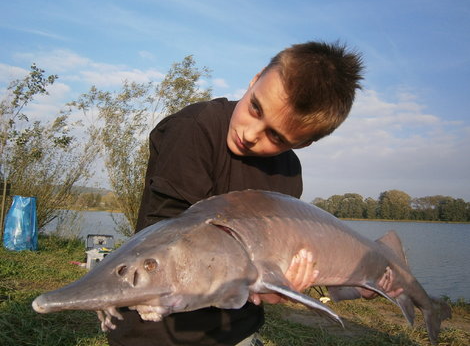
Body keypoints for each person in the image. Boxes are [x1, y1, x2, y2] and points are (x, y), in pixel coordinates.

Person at [107, 41, 401, 346]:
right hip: (157, 331)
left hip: (237, 328)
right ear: (255, 78)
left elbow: (270, 268)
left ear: (301, 143)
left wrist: (278, 283)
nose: (249, 133)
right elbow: (161, 245)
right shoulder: (193, 131)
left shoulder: (288, 172)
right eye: (255, 107)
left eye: (275, 135)